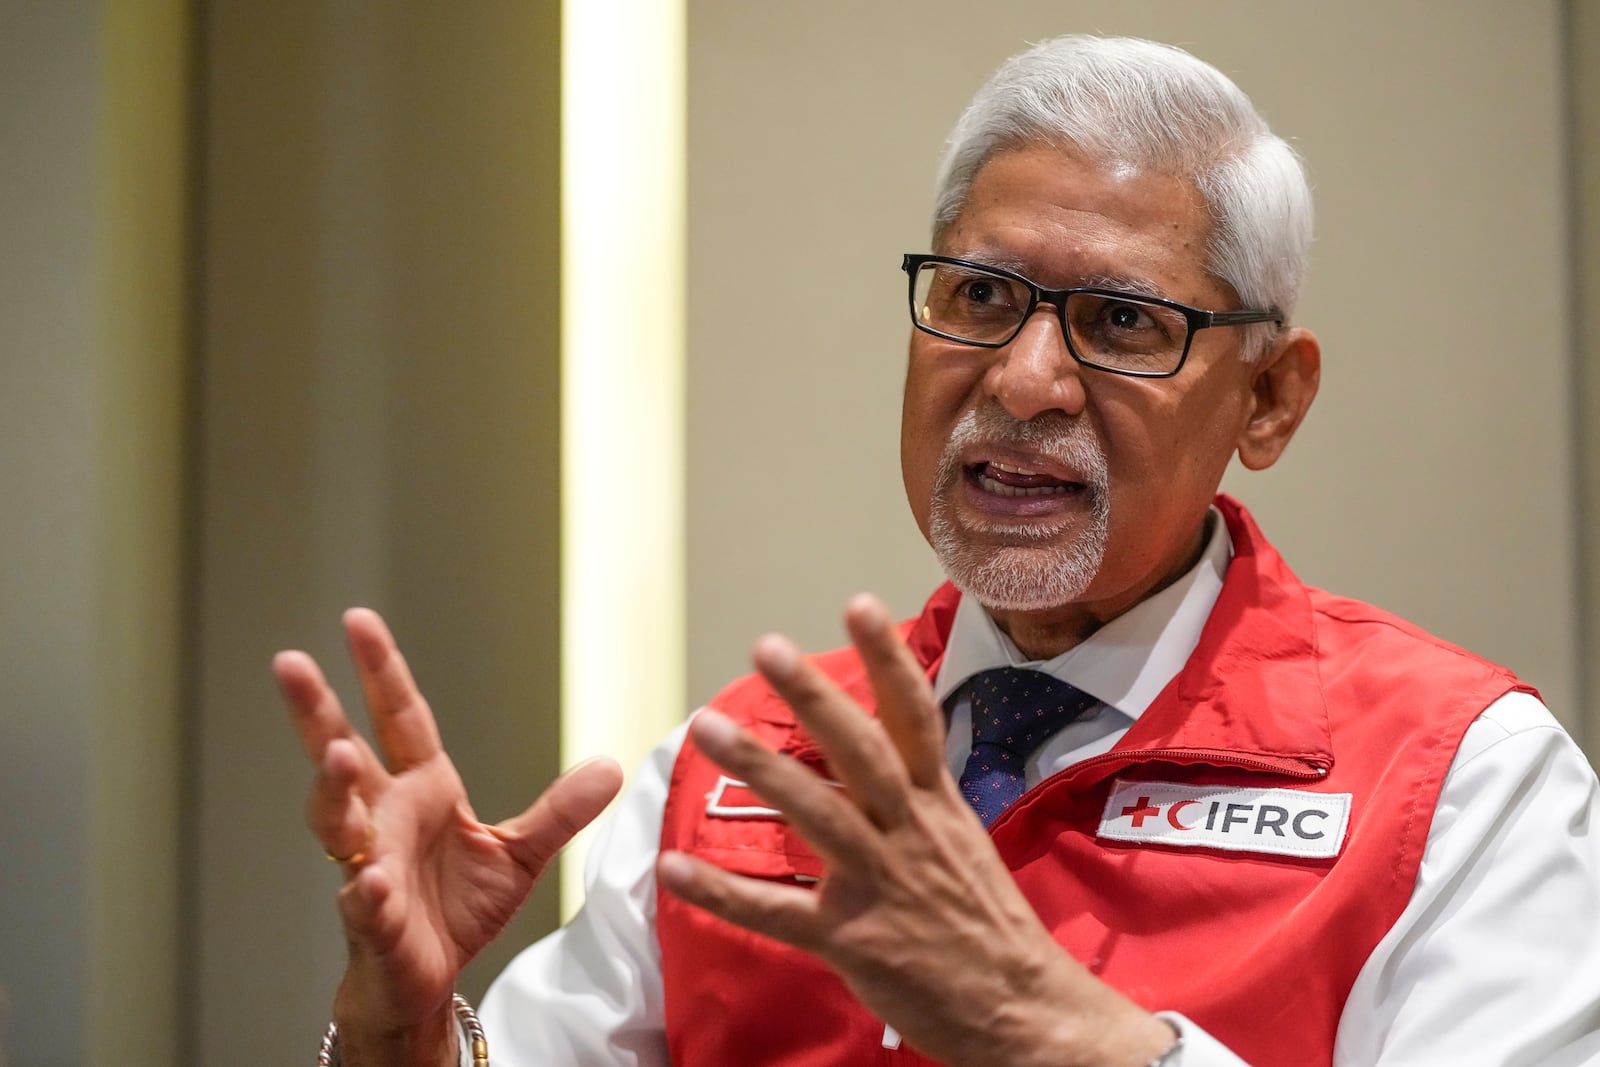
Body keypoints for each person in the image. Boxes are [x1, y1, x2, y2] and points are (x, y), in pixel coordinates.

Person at [277, 34, 1600, 1067]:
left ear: (1269, 401)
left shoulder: (1461, 786)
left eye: (1123, 323)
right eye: (980, 297)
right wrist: (404, 1038)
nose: (1024, 381)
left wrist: (1062, 1037)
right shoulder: (737, 775)